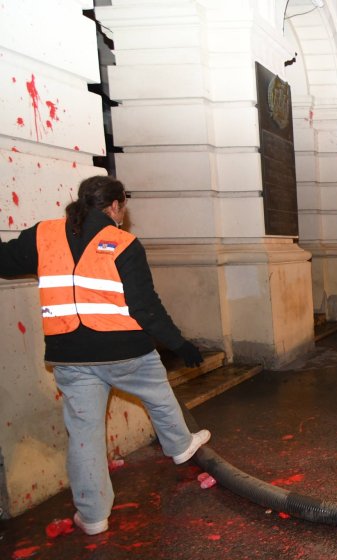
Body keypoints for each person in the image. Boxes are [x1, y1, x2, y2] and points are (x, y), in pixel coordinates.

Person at [0, 176, 210, 535]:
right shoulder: (123, 243)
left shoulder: (44, 233)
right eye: (123, 205)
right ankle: (179, 446)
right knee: (158, 394)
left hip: (70, 355)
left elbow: (4, 262)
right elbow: (146, 307)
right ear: (114, 206)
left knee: (84, 434)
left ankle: (94, 516)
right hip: (125, 349)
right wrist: (180, 344)